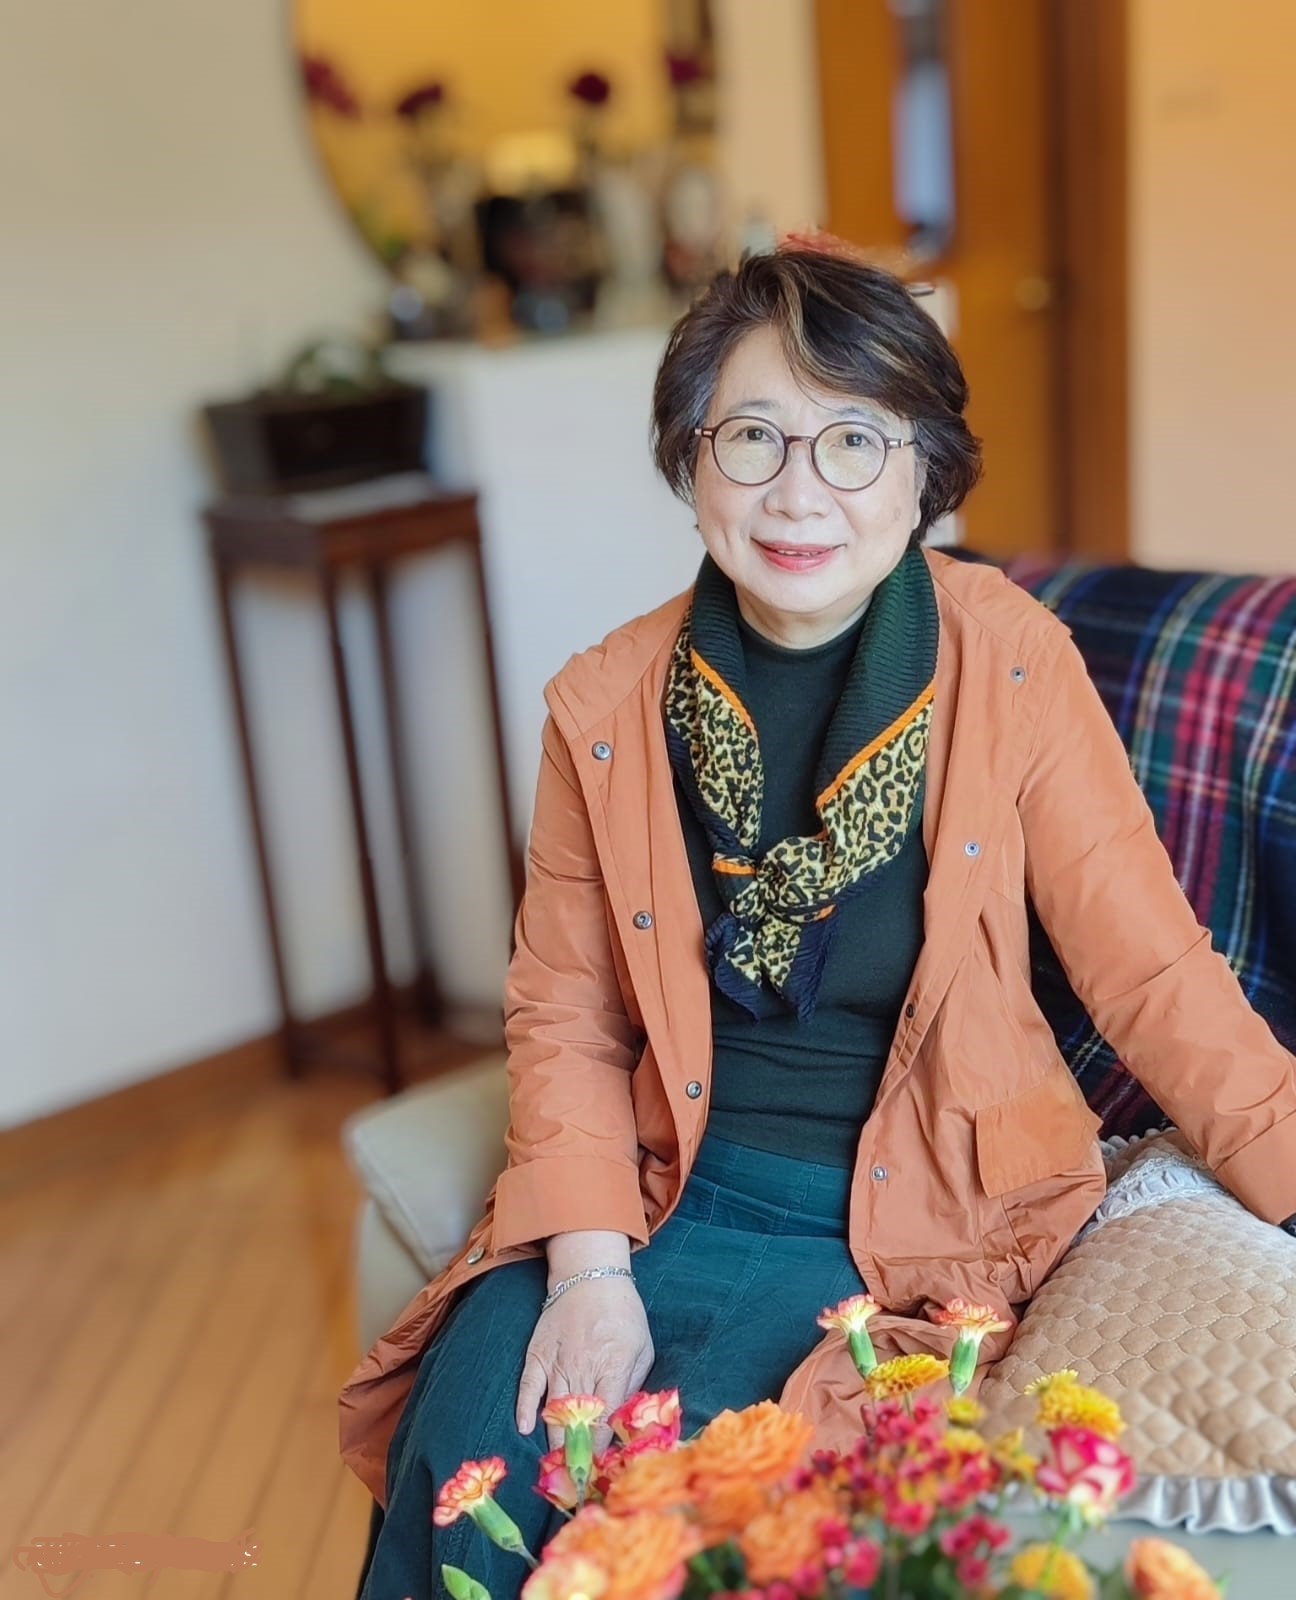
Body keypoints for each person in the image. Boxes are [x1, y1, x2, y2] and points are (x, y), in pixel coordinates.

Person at [342, 237, 1296, 1600]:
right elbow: (567, 1012)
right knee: (474, 1464)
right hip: (657, 1187)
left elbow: (1153, 974)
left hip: (901, 1214)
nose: (800, 493)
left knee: (722, 1527)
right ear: (692, 465)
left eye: (855, 440)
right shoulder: (606, 706)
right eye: (753, 438)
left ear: (923, 473)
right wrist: (590, 1270)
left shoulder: (1010, 662)